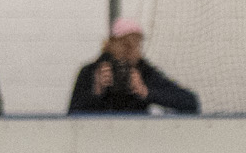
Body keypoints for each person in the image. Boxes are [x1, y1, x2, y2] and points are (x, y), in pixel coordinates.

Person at [67, 18, 199, 114]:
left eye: (136, 45)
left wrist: (146, 92)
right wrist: (96, 91)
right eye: (125, 44)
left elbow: (190, 102)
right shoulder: (91, 72)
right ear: (111, 44)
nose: (130, 50)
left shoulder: (144, 72)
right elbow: (72, 116)